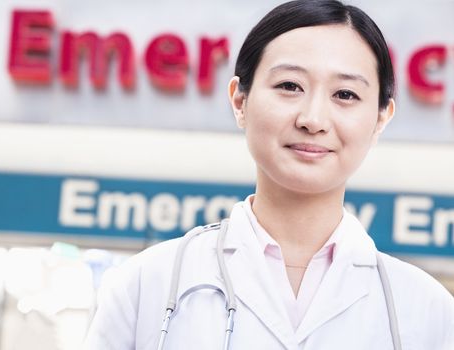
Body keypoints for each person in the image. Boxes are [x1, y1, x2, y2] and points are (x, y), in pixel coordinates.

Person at [84, 1, 454, 349]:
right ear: (239, 101)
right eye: (289, 86)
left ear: (380, 118)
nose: (313, 120)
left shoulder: (427, 310)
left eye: (345, 94)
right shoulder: (148, 284)